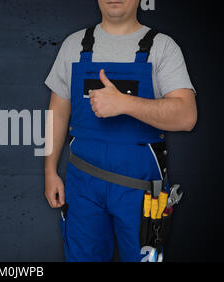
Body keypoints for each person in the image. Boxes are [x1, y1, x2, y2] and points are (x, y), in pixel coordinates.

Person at [44, 0, 197, 262]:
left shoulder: (162, 47)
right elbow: (56, 113)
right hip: (83, 186)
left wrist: (125, 103)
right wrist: (49, 171)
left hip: (140, 191)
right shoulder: (73, 46)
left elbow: (186, 116)